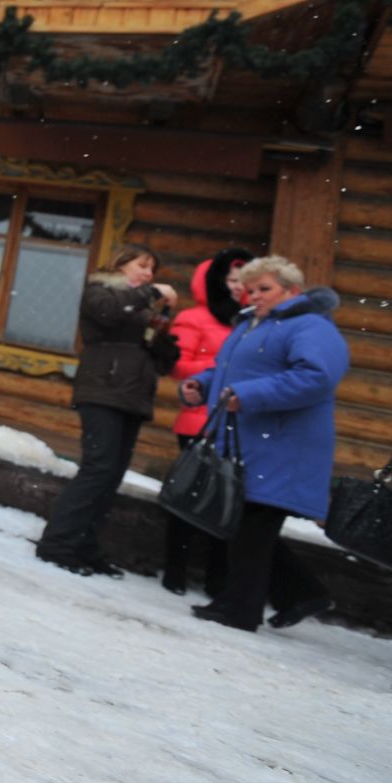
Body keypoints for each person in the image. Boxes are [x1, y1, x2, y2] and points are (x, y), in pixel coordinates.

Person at [179, 255, 347, 632]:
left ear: (292, 290)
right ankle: (300, 594)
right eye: (251, 289)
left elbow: (316, 376)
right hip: (256, 444)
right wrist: (201, 387)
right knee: (247, 526)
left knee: (251, 528)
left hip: (286, 446)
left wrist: (250, 395)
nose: (255, 295)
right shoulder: (253, 324)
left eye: (265, 289)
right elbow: (231, 370)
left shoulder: (311, 326)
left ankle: (239, 610)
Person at [36, 244, 178, 576]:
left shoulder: (139, 306)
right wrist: (152, 292)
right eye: (142, 265)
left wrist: (164, 339)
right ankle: (57, 543)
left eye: (152, 270)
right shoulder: (100, 290)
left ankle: (85, 546)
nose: (148, 274)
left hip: (132, 396)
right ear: (121, 264)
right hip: (102, 391)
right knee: (97, 469)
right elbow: (111, 313)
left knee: (112, 474)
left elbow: (152, 353)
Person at [161, 246, 252, 594]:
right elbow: (176, 366)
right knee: (189, 497)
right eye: (231, 279)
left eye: (244, 281)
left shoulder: (250, 322)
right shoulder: (195, 318)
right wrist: (222, 373)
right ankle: (174, 570)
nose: (237, 287)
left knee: (226, 501)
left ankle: (218, 578)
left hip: (236, 424)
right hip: (199, 422)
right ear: (217, 281)